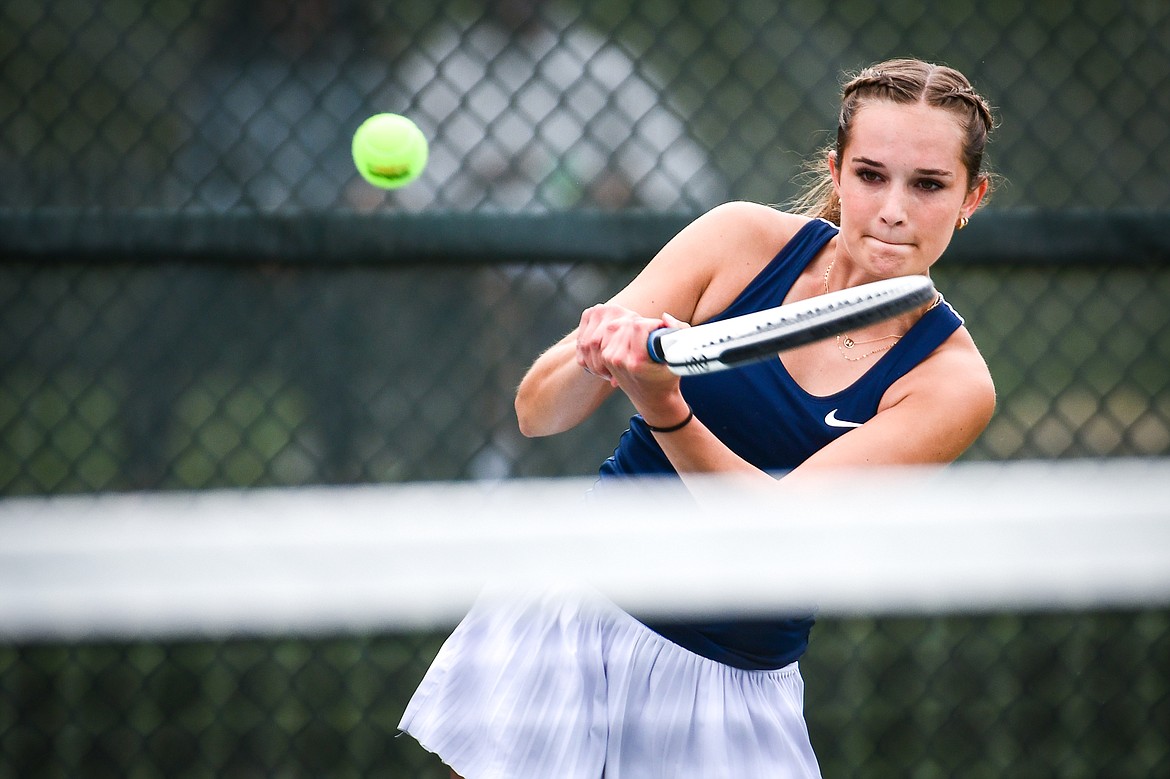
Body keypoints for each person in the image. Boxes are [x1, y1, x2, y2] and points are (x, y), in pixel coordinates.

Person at [398, 57, 998, 778]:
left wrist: (665, 407)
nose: (894, 209)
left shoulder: (951, 382)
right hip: (572, 616)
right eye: (871, 175)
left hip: (729, 685)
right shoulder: (738, 241)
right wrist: (599, 350)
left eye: (929, 184)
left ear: (973, 196)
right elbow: (536, 410)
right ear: (836, 173)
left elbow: (775, 538)